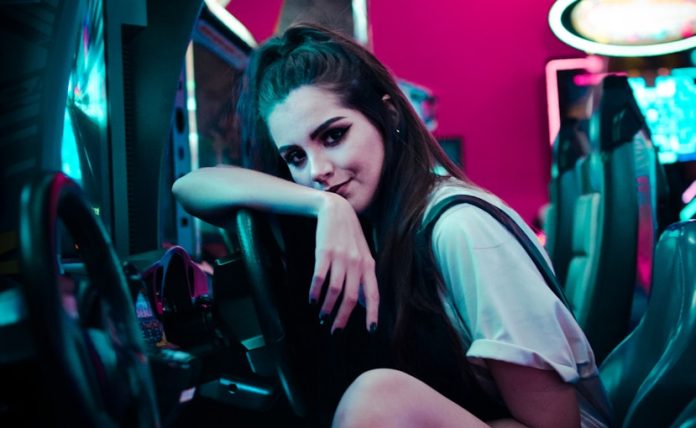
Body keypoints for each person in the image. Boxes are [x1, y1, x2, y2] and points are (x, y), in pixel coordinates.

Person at [172, 23, 613, 428]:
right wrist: (324, 208)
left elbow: (555, 424)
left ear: (390, 117)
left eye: (333, 136)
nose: (317, 171)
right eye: (295, 158)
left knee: (378, 397)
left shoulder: (461, 228)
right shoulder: (361, 216)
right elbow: (191, 187)